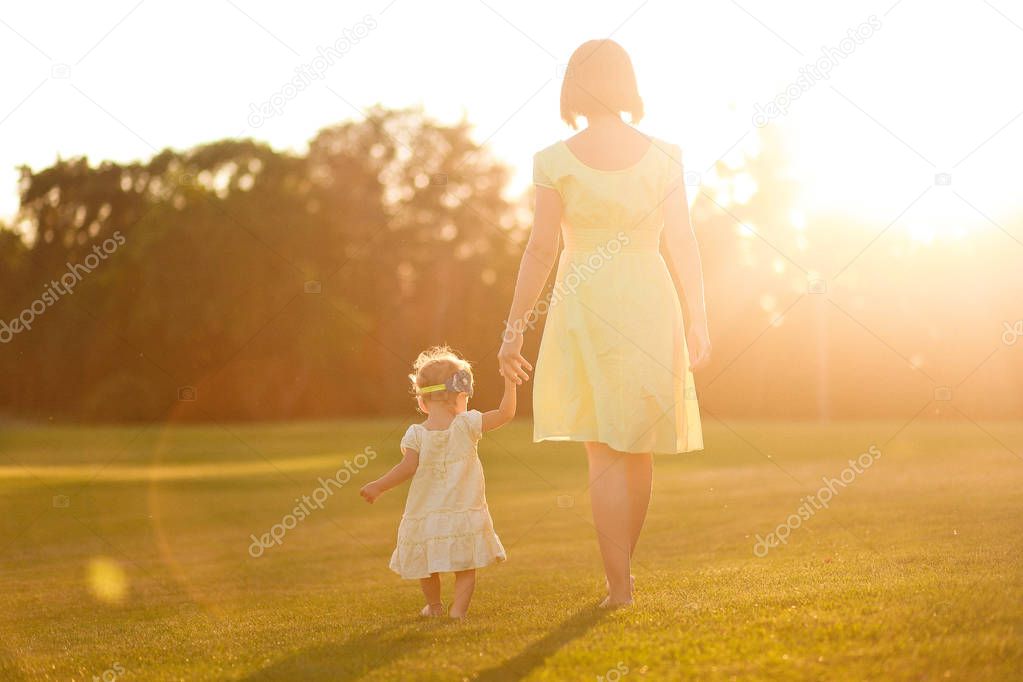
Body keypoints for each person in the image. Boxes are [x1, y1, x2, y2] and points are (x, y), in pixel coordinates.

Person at [497, 39, 710, 608]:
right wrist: (698, 318)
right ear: (627, 83)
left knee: (604, 450)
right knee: (634, 447)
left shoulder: (554, 159)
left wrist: (513, 328)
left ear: (572, 86)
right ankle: (622, 580)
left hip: (584, 302)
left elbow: (540, 250)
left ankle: (619, 585)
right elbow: (682, 241)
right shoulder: (663, 153)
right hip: (646, 296)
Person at [360, 346, 515, 618]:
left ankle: (434, 606)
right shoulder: (467, 424)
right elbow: (504, 414)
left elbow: (406, 468)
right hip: (463, 510)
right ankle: (458, 611)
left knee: (426, 563)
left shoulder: (416, 434)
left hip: (426, 512)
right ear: (460, 396)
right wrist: (510, 383)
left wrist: (378, 486)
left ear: (422, 401)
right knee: (466, 566)